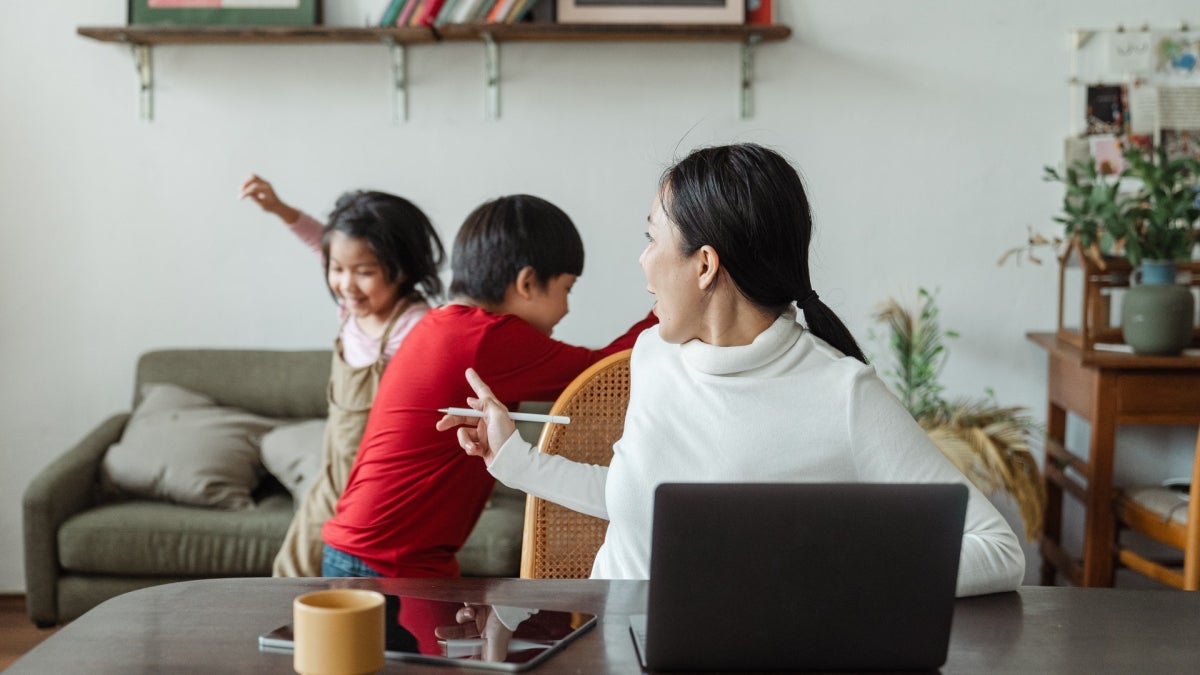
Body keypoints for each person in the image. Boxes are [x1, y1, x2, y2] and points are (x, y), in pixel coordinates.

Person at [438, 143, 1026, 598]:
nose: (642, 261)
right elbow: (638, 502)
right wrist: (514, 460)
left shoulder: (843, 394)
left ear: (704, 265)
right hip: (612, 647)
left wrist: (826, 568)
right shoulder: (653, 356)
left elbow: (997, 550)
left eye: (651, 237)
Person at [321, 194, 658, 578]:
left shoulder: (445, 325)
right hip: (385, 564)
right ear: (527, 282)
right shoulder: (484, 338)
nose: (566, 308)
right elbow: (600, 375)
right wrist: (667, 303)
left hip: (370, 552)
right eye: (567, 289)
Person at [240, 175, 446, 577]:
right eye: (337, 269)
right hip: (332, 472)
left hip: (374, 486)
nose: (346, 284)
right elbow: (324, 242)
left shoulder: (414, 327)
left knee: (339, 581)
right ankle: (292, 638)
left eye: (364, 272)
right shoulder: (353, 309)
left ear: (402, 268)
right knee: (291, 570)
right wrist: (281, 210)